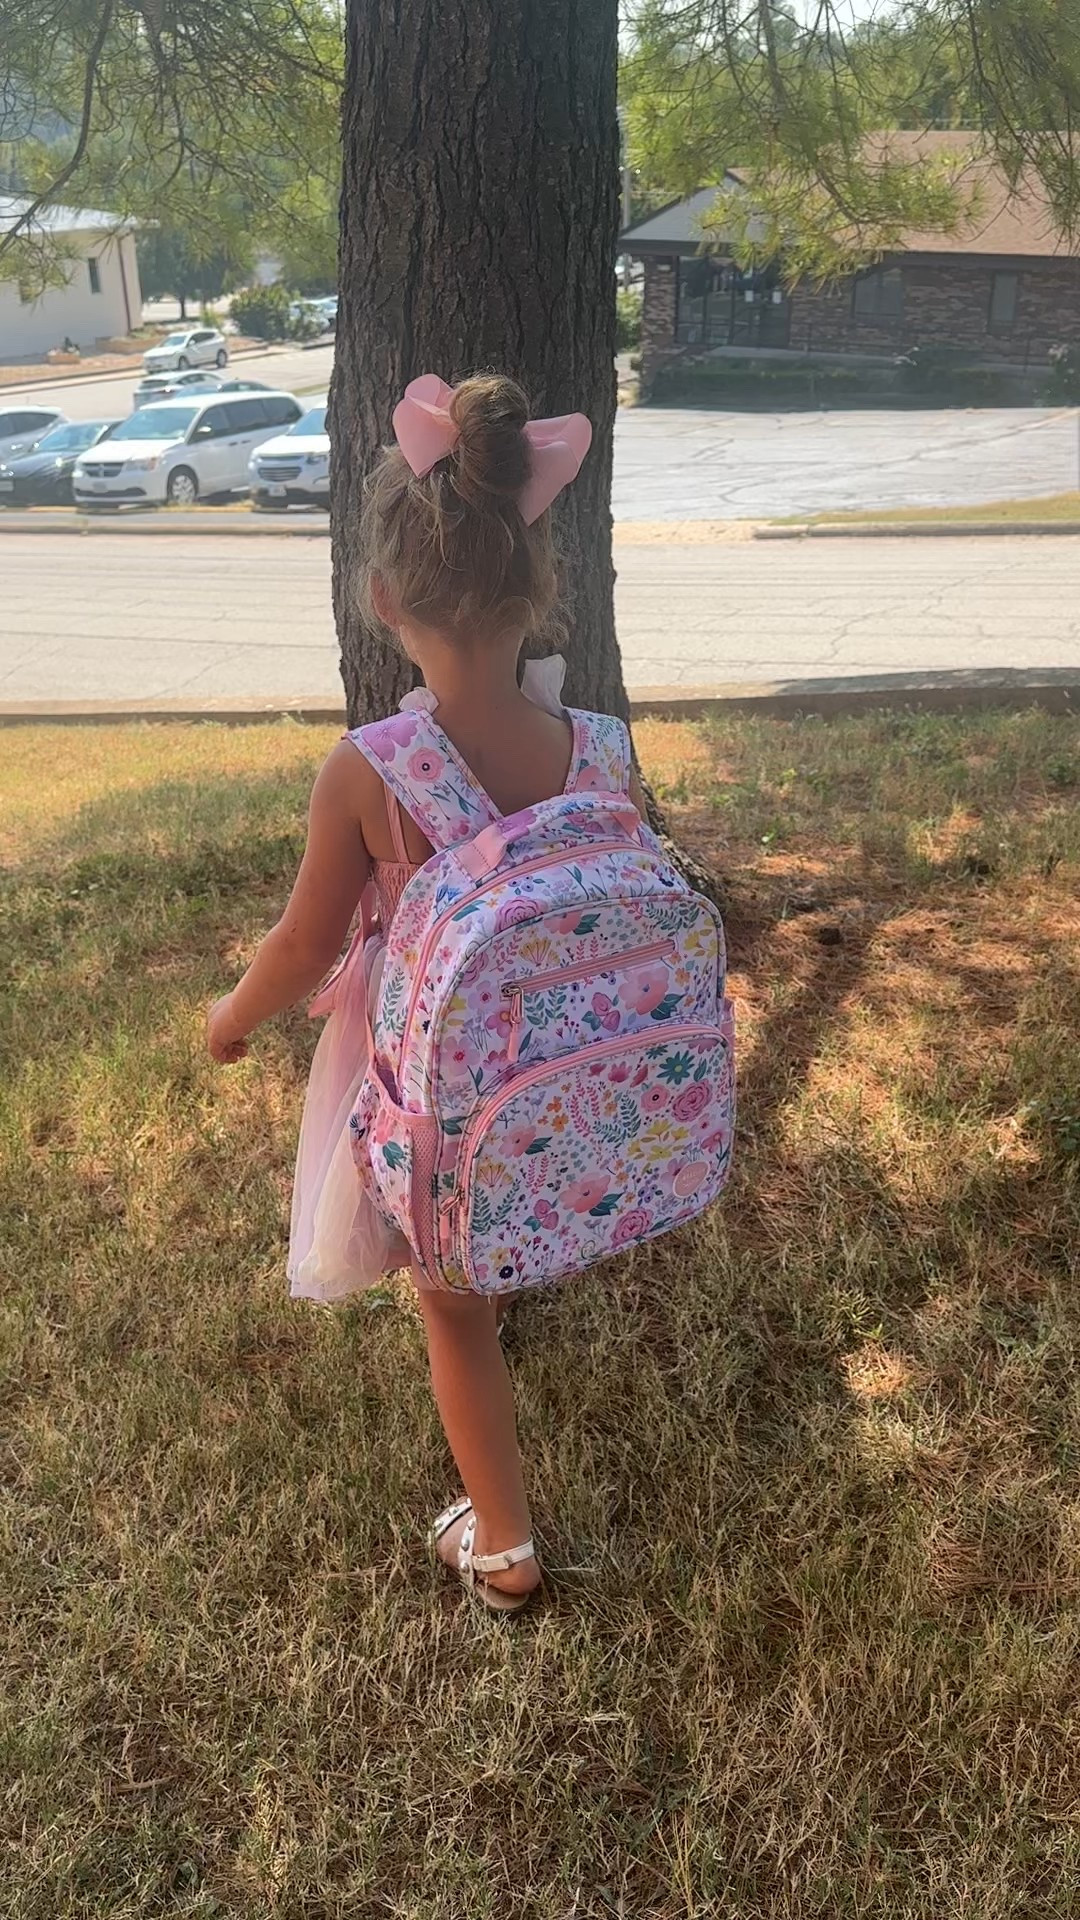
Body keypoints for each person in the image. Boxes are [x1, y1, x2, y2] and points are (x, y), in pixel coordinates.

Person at [207, 373, 648, 1613]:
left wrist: (231, 1021)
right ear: (537, 589)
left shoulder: (372, 769)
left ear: (385, 600)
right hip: (556, 1062)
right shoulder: (600, 748)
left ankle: (501, 1546)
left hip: (432, 1076)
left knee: (449, 1307)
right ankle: (515, 1253)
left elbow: (302, 949)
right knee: (485, 1246)